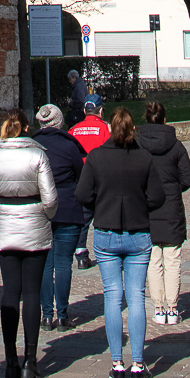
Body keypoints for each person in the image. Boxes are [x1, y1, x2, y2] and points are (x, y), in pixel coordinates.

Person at [75, 106, 163, 378]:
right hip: (138, 231)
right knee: (136, 296)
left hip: (106, 229)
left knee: (113, 296)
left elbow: (82, 194)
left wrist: (100, 204)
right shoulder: (144, 158)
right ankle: (138, 364)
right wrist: (141, 205)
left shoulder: (97, 158)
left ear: (110, 129)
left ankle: (116, 362)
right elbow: (158, 197)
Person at [0, 112, 59, 378]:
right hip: (34, 221)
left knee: (10, 290)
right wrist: (44, 214)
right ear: (25, 128)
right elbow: (50, 198)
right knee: (32, 291)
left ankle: (11, 359)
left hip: (6, 223)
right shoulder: (37, 155)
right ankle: (30, 360)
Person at [137, 101, 190, 327]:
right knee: (172, 259)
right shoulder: (177, 146)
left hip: (146, 206)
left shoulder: (138, 144)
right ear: (164, 118)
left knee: (153, 260)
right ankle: (172, 307)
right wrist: (173, 188)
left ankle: (158, 308)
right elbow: (188, 178)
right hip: (171, 207)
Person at [33, 103, 88, 329]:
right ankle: (63, 315)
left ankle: (46, 315)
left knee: (45, 264)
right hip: (66, 207)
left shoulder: (33, 145)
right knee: (64, 262)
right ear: (59, 122)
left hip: (41, 210)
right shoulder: (69, 145)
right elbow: (80, 174)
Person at [70, 97, 111, 268]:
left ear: (84, 111)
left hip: (80, 179)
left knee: (83, 217)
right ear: (101, 111)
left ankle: (80, 253)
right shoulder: (104, 129)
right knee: (105, 216)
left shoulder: (73, 130)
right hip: (101, 178)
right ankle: (107, 252)